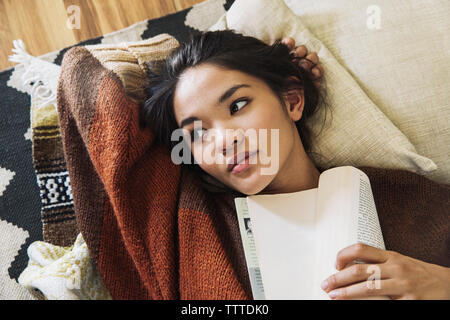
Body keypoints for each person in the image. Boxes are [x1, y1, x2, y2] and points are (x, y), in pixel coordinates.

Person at [141, 30, 450, 299]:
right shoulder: (195, 224)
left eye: (237, 105)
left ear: (292, 100)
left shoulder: (407, 198)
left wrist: (442, 284)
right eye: (198, 133)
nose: (223, 141)